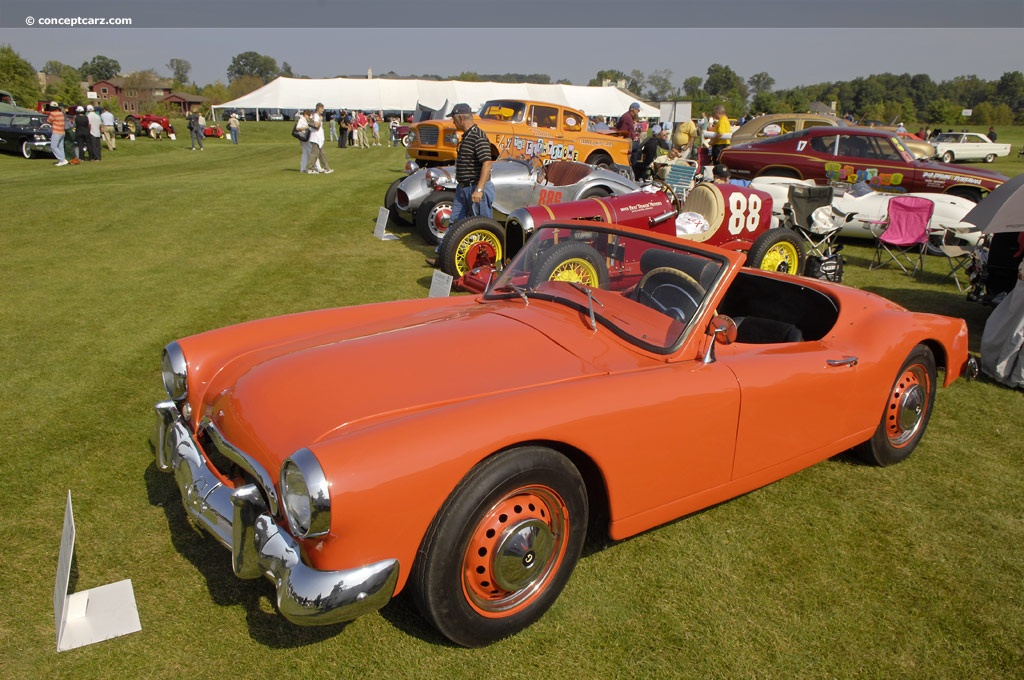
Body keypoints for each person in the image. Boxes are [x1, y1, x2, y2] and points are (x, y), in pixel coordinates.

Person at [425, 102, 493, 267]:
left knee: (482, 226)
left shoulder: (478, 136)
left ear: (461, 118)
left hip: (475, 188)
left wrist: (479, 189)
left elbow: (487, 163)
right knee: (454, 223)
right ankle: (444, 257)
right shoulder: (467, 136)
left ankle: (488, 261)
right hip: (463, 188)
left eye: (454, 120)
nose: (453, 123)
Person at [305, 103, 333, 174]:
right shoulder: (316, 116)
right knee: (314, 154)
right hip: (316, 138)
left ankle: (327, 168)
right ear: (318, 108)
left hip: (319, 138)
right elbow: (316, 125)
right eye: (322, 108)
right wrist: (320, 119)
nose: (323, 110)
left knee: (322, 154)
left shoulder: (318, 116)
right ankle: (310, 168)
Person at [46, 101, 68, 166]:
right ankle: (62, 160)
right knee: (60, 147)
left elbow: (48, 121)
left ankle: (62, 159)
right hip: (62, 132)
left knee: (53, 146)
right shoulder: (61, 113)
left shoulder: (53, 114)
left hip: (56, 132)